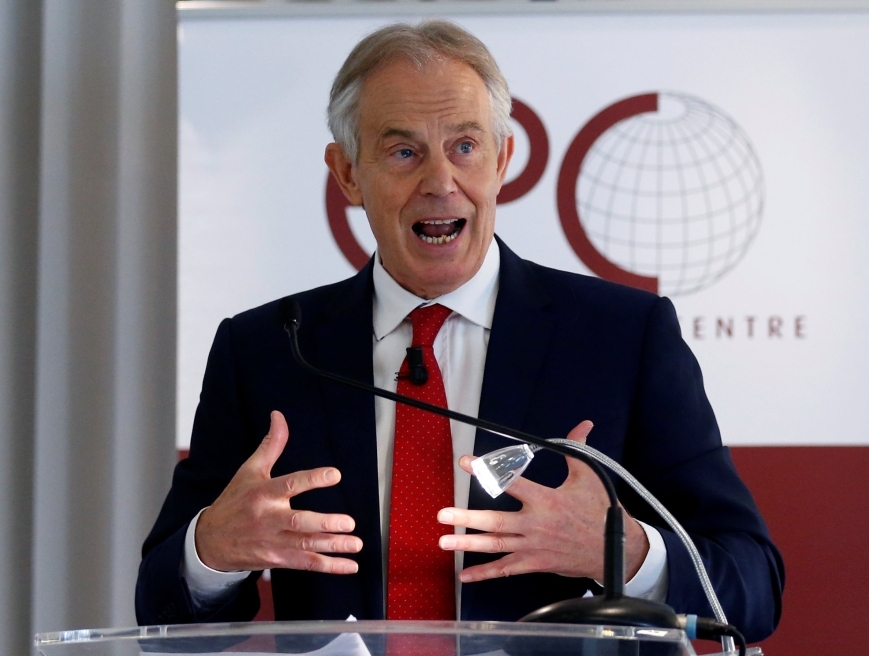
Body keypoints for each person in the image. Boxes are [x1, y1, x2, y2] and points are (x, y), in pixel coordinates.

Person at [136, 20, 784, 642]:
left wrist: (624, 554)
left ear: (502, 160)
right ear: (348, 174)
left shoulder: (624, 336)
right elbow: (162, 614)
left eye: (465, 147)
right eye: (403, 151)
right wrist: (211, 550)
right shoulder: (271, 349)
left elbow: (753, 587)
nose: (440, 183)